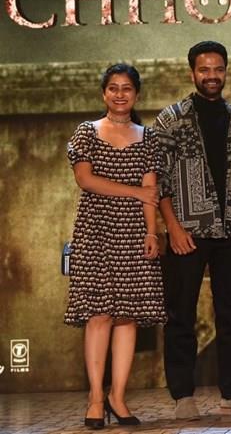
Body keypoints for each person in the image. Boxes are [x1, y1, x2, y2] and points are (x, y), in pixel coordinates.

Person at [154, 41, 231, 419]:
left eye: (218, 69)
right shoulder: (171, 119)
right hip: (187, 231)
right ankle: (182, 395)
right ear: (192, 73)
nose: (212, 76)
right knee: (181, 314)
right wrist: (172, 228)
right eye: (204, 69)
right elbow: (159, 180)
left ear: (226, 71)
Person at [65, 63, 165, 429]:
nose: (120, 94)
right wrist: (134, 191)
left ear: (136, 94)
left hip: (135, 232)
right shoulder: (87, 132)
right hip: (96, 231)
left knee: (127, 316)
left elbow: (151, 192)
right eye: (113, 88)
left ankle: (117, 397)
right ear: (103, 93)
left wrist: (152, 233)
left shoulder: (148, 137)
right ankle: (95, 398)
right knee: (99, 314)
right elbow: (86, 179)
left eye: (127, 88)